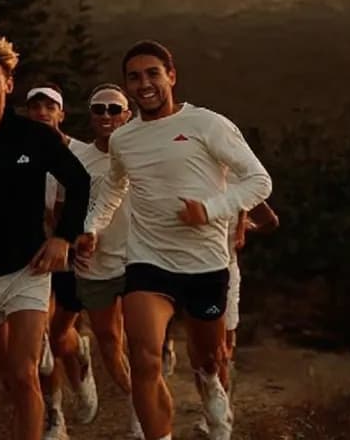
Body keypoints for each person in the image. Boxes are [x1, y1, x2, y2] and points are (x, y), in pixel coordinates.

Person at [78, 40, 272, 440]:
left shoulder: (208, 125)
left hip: (206, 264)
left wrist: (212, 209)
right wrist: (92, 227)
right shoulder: (124, 139)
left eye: (152, 73)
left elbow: (259, 181)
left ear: (171, 75)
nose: (144, 83)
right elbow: (114, 189)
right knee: (145, 359)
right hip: (148, 263)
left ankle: (213, 389)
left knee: (208, 358)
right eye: (134, 77)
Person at [0, 35, 90, 440]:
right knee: (11, 376)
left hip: (27, 269)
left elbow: (79, 182)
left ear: (8, 84)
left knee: (25, 374)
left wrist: (64, 237)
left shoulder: (35, 136)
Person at [72, 83, 145, 438]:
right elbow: (59, 208)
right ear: (90, 115)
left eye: (114, 109)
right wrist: (70, 243)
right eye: (99, 109)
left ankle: (143, 415)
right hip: (94, 264)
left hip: (139, 261)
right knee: (108, 339)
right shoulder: (78, 159)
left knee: (141, 341)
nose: (107, 116)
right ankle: (136, 399)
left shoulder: (143, 152)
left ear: (127, 114)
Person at [25, 84, 97, 440]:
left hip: (72, 252)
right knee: (40, 341)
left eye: (48, 106)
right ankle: (55, 417)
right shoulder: (19, 151)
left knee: (57, 336)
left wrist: (81, 234)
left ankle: (79, 351)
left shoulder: (83, 154)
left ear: (61, 114)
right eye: (35, 106)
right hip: (31, 254)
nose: (41, 112)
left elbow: (98, 198)